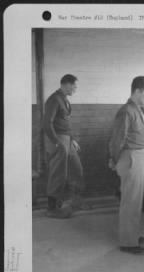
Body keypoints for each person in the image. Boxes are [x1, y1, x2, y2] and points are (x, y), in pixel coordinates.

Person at [109, 76, 144, 254]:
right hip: (131, 157)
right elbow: (117, 139)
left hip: (138, 156)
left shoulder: (137, 110)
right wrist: (113, 158)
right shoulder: (127, 111)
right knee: (130, 201)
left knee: (135, 201)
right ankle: (127, 242)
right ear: (137, 91)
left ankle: (131, 234)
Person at [43, 74, 85, 218]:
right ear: (66, 84)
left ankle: (74, 203)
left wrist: (71, 139)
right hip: (57, 138)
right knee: (58, 174)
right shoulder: (54, 100)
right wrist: (56, 142)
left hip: (66, 139)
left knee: (76, 169)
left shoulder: (64, 99)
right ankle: (52, 208)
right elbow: (47, 124)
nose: (75, 89)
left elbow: (65, 123)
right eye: (74, 86)